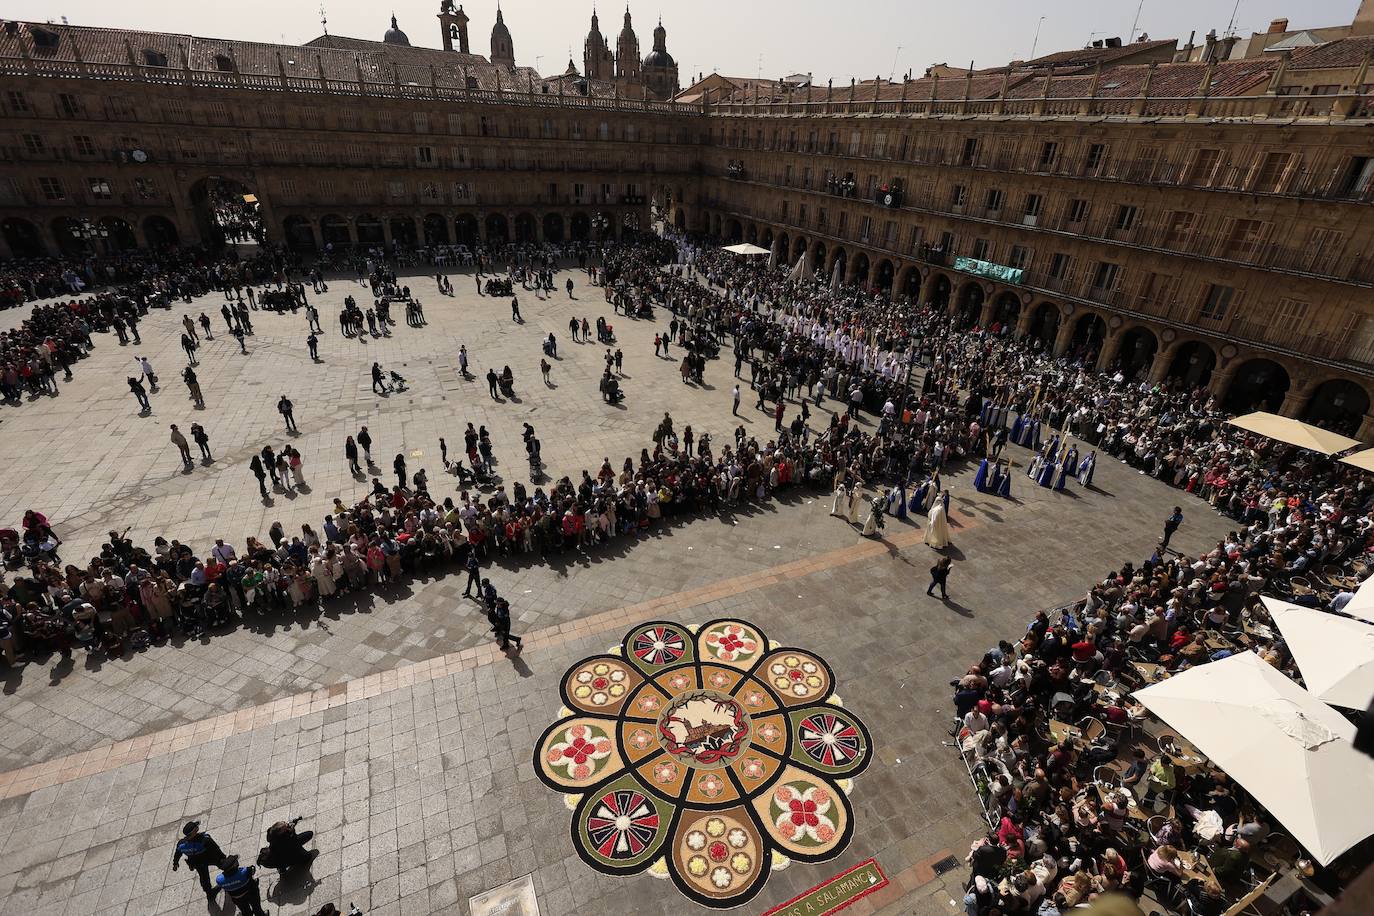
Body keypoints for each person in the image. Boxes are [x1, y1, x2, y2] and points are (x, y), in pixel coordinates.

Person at [172, 820, 226, 902]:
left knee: (204, 878)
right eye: (196, 827)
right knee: (223, 864)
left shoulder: (181, 844)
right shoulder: (205, 839)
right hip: (210, 858)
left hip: (196, 863)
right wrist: (223, 857)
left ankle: (209, 894)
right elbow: (216, 849)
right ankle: (231, 875)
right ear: (194, 831)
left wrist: (175, 863)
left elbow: (177, 854)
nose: (197, 827)